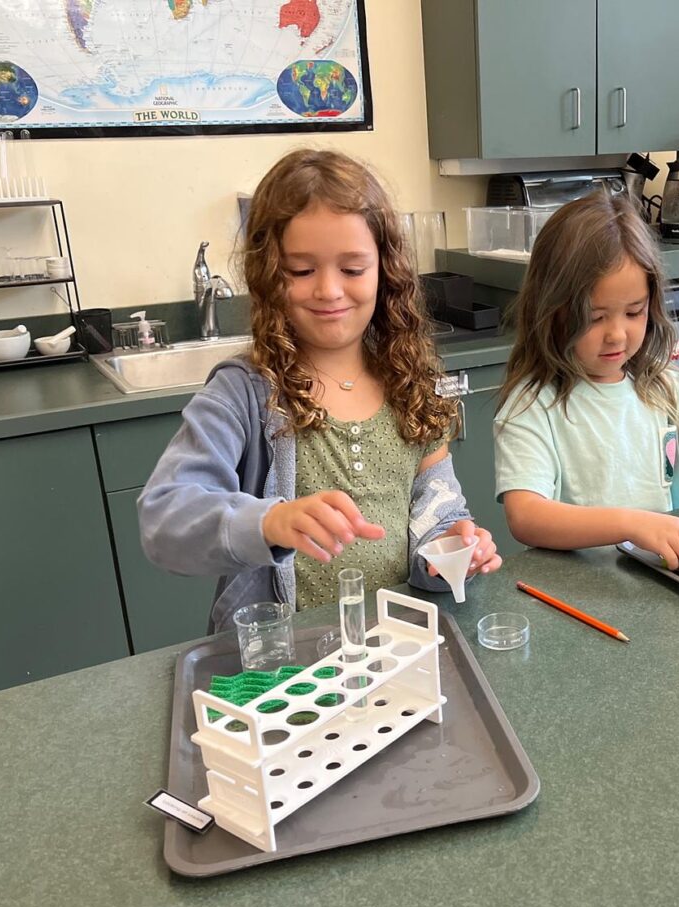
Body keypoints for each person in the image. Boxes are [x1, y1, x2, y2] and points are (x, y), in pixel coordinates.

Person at [139, 148, 501, 631]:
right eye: (302, 270)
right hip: (284, 665)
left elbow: (437, 511)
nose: (329, 290)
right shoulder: (243, 394)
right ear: (269, 275)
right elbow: (164, 519)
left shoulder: (411, 383)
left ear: (384, 271)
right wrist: (269, 522)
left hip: (392, 647)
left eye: (352, 269)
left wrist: (450, 548)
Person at [493, 191, 679, 571]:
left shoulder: (663, 387)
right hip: (576, 596)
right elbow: (526, 516)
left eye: (633, 312)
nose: (617, 335)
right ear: (551, 310)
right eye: (595, 317)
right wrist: (633, 524)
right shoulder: (532, 406)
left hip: (658, 585)